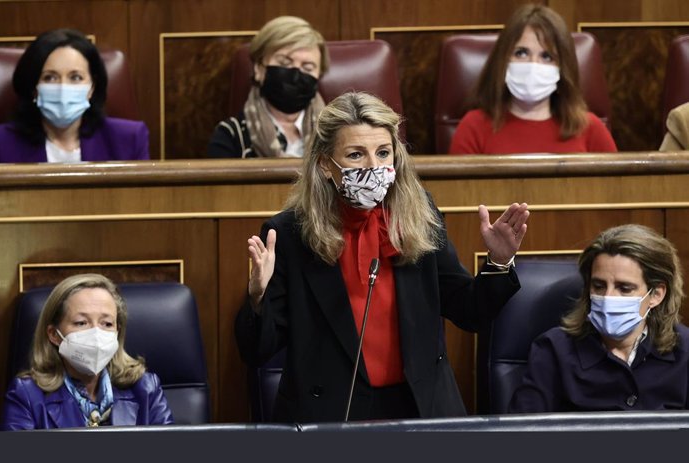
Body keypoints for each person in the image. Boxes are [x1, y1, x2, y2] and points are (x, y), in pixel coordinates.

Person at [235, 91, 530, 422]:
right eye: (356, 154)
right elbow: (257, 351)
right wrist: (258, 298)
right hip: (332, 414)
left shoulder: (418, 215)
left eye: (383, 152)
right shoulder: (289, 234)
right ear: (324, 165)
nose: (374, 167)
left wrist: (499, 263)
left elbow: (469, 311)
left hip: (419, 408)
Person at [509, 224, 689, 412]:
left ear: (656, 295)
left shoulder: (685, 351)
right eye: (599, 286)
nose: (608, 297)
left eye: (624, 288)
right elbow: (521, 435)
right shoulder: (553, 350)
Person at [1, 274, 173, 429]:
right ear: (54, 334)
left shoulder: (145, 388)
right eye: (81, 323)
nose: (96, 334)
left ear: (117, 332)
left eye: (106, 324)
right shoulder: (27, 395)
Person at [448, 4, 617, 155]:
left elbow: (616, 188)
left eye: (547, 56)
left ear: (562, 68)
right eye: (521, 53)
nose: (533, 65)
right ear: (503, 60)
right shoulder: (474, 127)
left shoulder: (591, 129)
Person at [0, 28, 149, 163]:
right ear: (34, 88)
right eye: (50, 77)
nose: (63, 88)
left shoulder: (130, 139)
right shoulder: (2, 143)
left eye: (75, 77)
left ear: (92, 88)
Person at [207, 15, 328, 158]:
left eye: (307, 68)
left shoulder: (337, 134)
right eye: (284, 63)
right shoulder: (230, 137)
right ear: (259, 69)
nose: (296, 75)